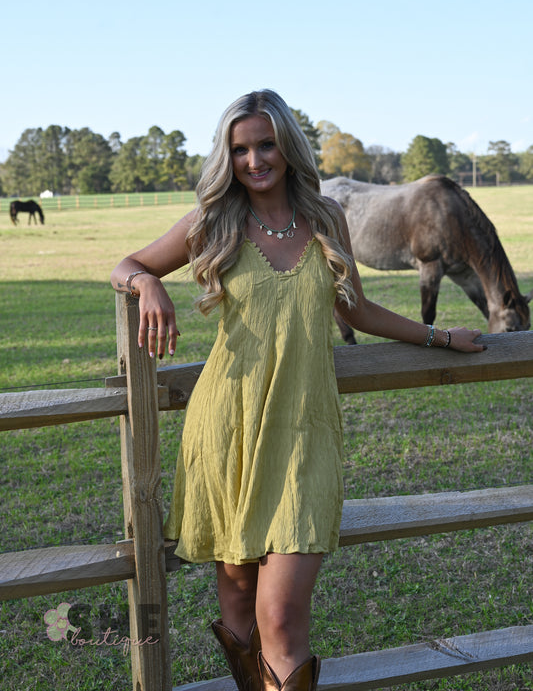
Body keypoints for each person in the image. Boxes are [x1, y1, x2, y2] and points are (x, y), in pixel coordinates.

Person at [110, 90, 485, 691]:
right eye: (239, 149)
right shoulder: (213, 221)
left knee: (280, 616)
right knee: (236, 605)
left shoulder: (327, 218)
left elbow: (357, 310)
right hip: (226, 428)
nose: (254, 160)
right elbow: (126, 263)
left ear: (287, 146)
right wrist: (146, 285)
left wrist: (439, 336)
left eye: (265, 144)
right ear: (226, 156)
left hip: (303, 432)